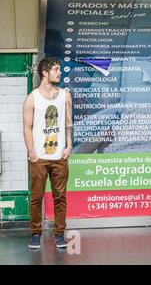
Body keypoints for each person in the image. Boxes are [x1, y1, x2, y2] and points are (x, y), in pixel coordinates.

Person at [23, 57, 73, 250]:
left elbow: (69, 123)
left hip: (60, 157)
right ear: (45, 73)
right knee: (36, 198)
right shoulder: (32, 98)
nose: (59, 73)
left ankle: (59, 234)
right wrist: (32, 154)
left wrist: (69, 146)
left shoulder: (65, 96)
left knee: (60, 197)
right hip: (39, 159)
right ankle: (35, 234)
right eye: (56, 69)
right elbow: (27, 128)